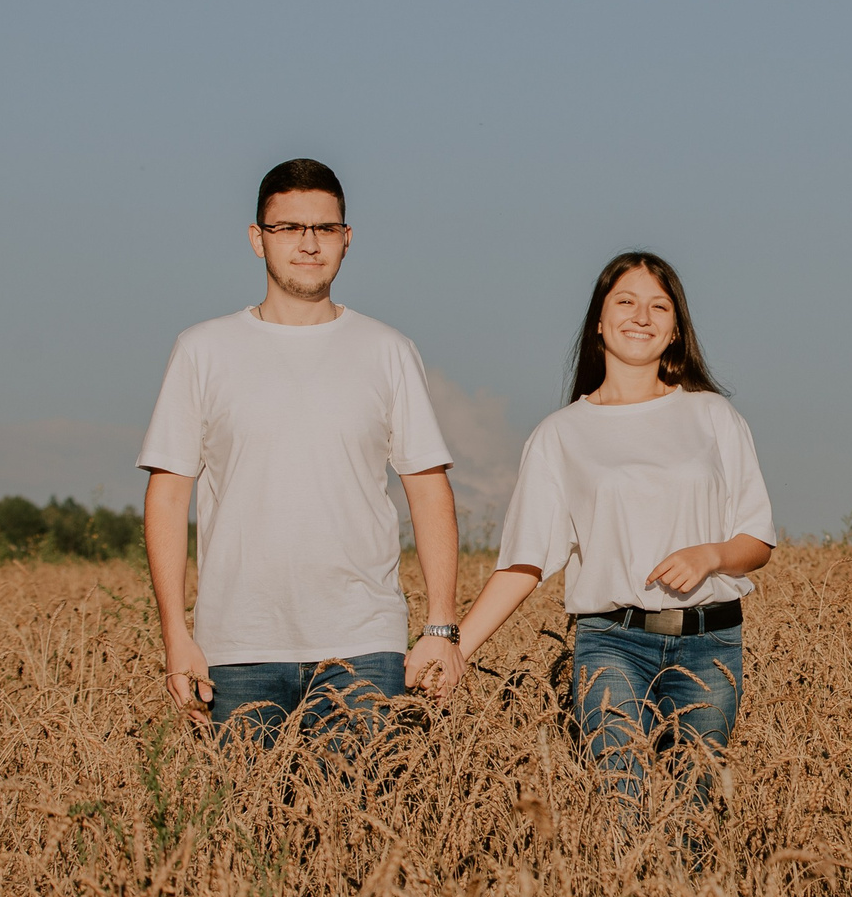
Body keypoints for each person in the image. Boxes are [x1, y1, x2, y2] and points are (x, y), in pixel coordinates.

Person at [137, 157, 463, 753]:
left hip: (364, 646)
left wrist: (441, 627)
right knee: (242, 814)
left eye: (325, 228)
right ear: (257, 238)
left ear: (347, 238)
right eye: (289, 227)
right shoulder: (202, 350)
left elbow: (428, 488)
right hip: (237, 647)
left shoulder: (388, 350)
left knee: (366, 814)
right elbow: (168, 494)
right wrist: (175, 636)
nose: (309, 243)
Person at [447, 250, 775, 814]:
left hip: (712, 644)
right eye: (625, 302)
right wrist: (454, 650)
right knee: (622, 806)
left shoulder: (713, 416)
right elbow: (524, 561)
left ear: (676, 329)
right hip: (613, 644)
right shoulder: (560, 435)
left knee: (692, 815)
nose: (641, 316)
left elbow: (758, 540)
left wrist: (711, 555)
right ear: (599, 321)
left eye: (659, 306)